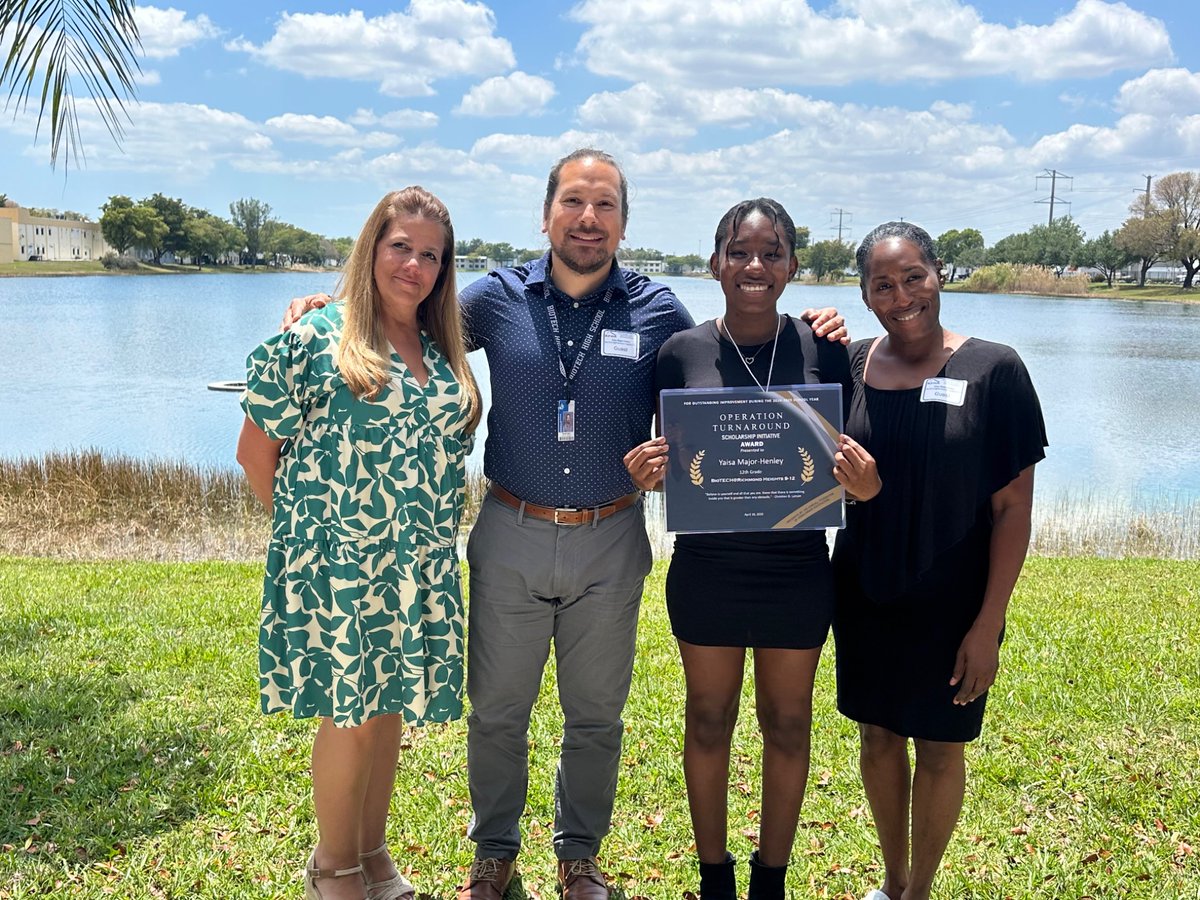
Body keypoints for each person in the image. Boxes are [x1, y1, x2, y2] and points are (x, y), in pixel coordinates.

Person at [282, 149, 847, 900]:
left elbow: (720, 370)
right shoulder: (495, 298)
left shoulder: (657, 311)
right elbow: (404, 312)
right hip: (511, 527)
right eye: (574, 202)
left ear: (623, 223)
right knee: (497, 714)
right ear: (545, 214)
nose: (588, 219)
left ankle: (580, 858)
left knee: (597, 718)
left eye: (605, 205)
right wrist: (327, 308)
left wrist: (817, 328)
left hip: (612, 536)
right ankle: (493, 856)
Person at [622, 198, 880, 900]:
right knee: (708, 720)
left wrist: (863, 483)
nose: (754, 265)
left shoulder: (826, 348)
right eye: (739, 252)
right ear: (716, 264)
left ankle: (771, 879)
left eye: (771, 253)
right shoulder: (679, 352)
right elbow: (668, 458)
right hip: (708, 569)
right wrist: (647, 473)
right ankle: (715, 879)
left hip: (797, 570)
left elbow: (852, 455)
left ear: (793, 266)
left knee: (788, 724)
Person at [237, 187, 481, 900]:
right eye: (400, 246)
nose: (414, 265)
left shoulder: (439, 351)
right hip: (340, 567)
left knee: (387, 711)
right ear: (372, 246)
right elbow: (255, 453)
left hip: (417, 566)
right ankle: (332, 868)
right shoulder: (319, 336)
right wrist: (310, 543)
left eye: (431, 255)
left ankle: (371, 854)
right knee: (351, 716)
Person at [831, 222, 1047, 900]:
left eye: (913, 277)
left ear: (940, 273)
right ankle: (892, 882)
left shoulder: (995, 369)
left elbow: (1012, 510)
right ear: (865, 295)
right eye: (882, 285)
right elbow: (808, 459)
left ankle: (920, 891)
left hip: (955, 600)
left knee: (941, 745)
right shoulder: (849, 366)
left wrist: (989, 624)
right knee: (876, 737)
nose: (902, 297)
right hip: (866, 587)